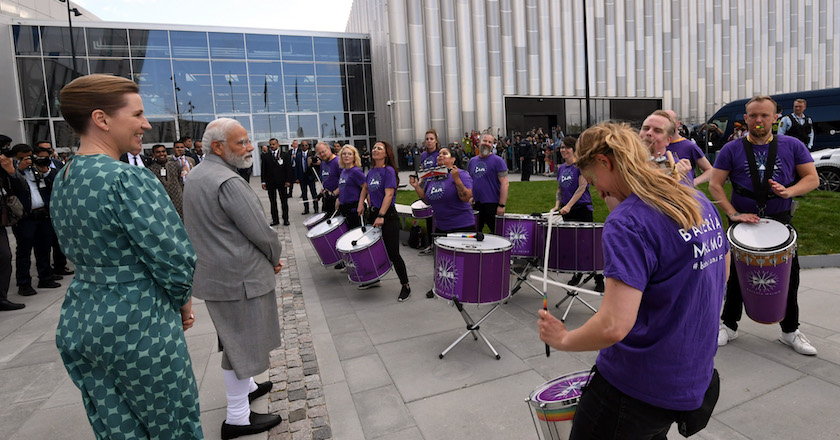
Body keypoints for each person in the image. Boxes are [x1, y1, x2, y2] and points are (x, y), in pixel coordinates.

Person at [538, 122, 730, 439]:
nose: (598, 192)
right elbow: (720, 277)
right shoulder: (697, 202)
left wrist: (563, 340)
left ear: (605, 161)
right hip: (689, 378)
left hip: (634, 387)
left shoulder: (628, 222)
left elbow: (613, 325)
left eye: (592, 179)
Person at [51, 74, 202, 438]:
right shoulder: (127, 179)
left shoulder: (65, 176)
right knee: (173, 426)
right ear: (102, 119)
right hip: (137, 322)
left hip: (82, 319)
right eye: (136, 114)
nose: (146, 124)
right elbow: (174, 258)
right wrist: (184, 304)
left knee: (117, 429)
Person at [183, 118, 283, 438]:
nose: (250, 147)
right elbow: (261, 231)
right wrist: (273, 257)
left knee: (233, 339)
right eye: (242, 142)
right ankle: (238, 417)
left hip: (218, 275)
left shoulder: (197, 174)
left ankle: (249, 386)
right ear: (218, 147)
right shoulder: (227, 180)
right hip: (238, 277)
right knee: (239, 345)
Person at [709, 95, 820, 356]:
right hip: (742, 220)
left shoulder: (792, 145)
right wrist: (733, 213)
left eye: (764, 116)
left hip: (780, 221)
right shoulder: (731, 149)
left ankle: (790, 331)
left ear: (775, 118)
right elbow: (715, 185)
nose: (758, 120)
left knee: (790, 275)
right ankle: (729, 325)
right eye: (753, 116)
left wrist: (789, 191)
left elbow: (812, 179)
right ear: (745, 118)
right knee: (735, 276)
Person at [411, 147, 474, 299]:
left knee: (464, 260)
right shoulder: (433, 178)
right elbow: (426, 200)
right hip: (441, 226)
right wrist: (417, 187)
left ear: (453, 160)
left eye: (444, 154)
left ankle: (466, 288)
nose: (440, 156)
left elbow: (466, 197)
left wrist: (457, 179)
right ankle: (440, 286)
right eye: (439, 154)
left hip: (461, 225)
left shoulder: (462, 175)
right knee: (442, 260)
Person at [357, 141, 411, 300]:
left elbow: (388, 195)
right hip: (373, 214)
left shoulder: (388, 171)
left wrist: (381, 216)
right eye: (374, 148)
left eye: (379, 148)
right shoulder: (372, 171)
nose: (375, 150)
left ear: (386, 153)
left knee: (393, 253)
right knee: (371, 250)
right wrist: (361, 203)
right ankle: (373, 279)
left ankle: (405, 285)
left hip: (387, 216)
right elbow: (365, 188)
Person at [550, 136, 605, 292]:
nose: (563, 150)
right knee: (573, 246)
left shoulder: (580, 166)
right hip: (567, 210)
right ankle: (577, 273)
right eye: (561, 147)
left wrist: (568, 206)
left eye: (567, 147)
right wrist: (557, 205)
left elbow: (581, 188)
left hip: (581, 209)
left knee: (588, 246)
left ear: (573, 149)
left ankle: (599, 278)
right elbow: (559, 189)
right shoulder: (561, 168)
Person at [10, 143, 60, 297]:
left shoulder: (35, 169)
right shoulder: (11, 172)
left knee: (44, 248)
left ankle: (45, 277)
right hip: (25, 217)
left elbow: (54, 180)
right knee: (24, 251)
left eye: (29, 156)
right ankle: (24, 283)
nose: (28, 160)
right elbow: (11, 186)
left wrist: (44, 170)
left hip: (43, 214)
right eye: (22, 158)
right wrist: (18, 170)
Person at [0, 135, 28, 311]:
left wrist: (10, 170)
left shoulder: (5, 168)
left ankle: (1, 298)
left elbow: (22, 187)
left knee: (4, 257)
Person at [468, 133, 509, 233]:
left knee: (497, 234)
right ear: (479, 142)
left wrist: (502, 205)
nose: (487, 144)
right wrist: (470, 197)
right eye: (485, 141)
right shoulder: (472, 161)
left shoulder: (498, 161)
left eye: (490, 142)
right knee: (474, 233)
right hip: (476, 204)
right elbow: (470, 181)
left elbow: (505, 184)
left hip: (492, 204)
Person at [417, 129, 442, 255]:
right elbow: (423, 171)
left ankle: (439, 242)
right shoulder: (423, 155)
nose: (429, 141)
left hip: (438, 188)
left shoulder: (439, 154)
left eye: (431, 139)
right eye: (427, 139)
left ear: (436, 140)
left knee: (439, 216)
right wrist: (419, 181)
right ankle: (430, 244)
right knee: (428, 217)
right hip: (427, 188)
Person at [260, 138, 293, 226]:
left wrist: (288, 180)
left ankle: (286, 219)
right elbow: (263, 169)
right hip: (270, 182)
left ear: (278, 145)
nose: (272, 146)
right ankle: (275, 220)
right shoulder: (265, 156)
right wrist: (263, 182)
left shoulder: (284, 155)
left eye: (274, 144)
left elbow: (288, 168)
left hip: (282, 182)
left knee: (284, 201)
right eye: (270, 144)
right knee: (272, 202)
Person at [147, 144, 185, 218]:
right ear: (154, 155)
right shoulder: (150, 169)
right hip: (161, 201)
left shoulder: (175, 165)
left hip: (177, 200)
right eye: (158, 152)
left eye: (163, 151)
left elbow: (180, 181)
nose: (161, 154)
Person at [336, 145, 366, 229]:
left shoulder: (356, 171)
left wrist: (361, 204)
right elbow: (344, 188)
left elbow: (366, 188)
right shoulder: (344, 171)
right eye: (344, 154)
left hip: (354, 209)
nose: (346, 156)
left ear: (354, 157)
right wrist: (339, 199)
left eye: (349, 154)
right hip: (344, 209)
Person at [315, 141, 340, 217]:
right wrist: (320, 193)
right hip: (326, 200)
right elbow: (324, 179)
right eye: (319, 153)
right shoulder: (323, 163)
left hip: (337, 200)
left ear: (329, 149)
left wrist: (333, 194)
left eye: (323, 152)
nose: (322, 155)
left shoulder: (338, 162)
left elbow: (345, 182)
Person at [293, 141, 318, 214]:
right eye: (302, 145)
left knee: (314, 193)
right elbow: (296, 167)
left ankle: (316, 208)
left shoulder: (312, 154)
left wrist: (316, 176)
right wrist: (297, 178)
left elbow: (316, 166)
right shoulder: (298, 155)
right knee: (304, 194)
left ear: (308, 146)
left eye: (306, 145)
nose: (304, 146)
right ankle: (306, 209)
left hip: (310, 177)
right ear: (300, 146)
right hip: (302, 177)